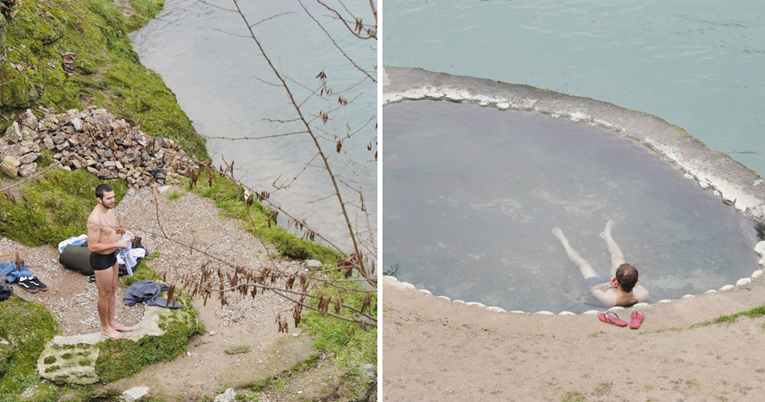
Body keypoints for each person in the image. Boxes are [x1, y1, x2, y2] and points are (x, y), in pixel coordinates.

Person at [552, 220, 649, 307]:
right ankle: (606, 235)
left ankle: (564, 242)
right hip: (618, 282)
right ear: (636, 280)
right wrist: (618, 282)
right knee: (618, 256)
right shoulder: (643, 293)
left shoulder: (609, 299)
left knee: (582, 263)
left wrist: (610, 284)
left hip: (599, 284)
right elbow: (638, 284)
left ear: (615, 279)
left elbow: (593, 289)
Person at [87, 184, 134, 339]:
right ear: (99, 200)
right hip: (101, 260)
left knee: (113, 290)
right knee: (104, 294)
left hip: (112, 256)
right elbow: (92, 246)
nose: (113, 200)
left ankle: (112, 322)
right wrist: (117, 244)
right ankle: (105, 327)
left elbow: (112, 228)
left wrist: (124, 231)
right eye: (109, 198)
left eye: (113, 197)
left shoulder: (110, 211)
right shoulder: (94, 220)